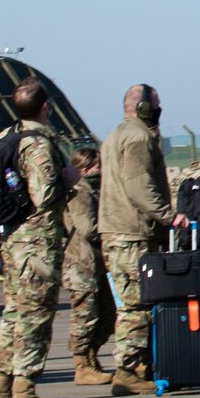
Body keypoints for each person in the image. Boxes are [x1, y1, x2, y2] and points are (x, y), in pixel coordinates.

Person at [0, 80, 71, 398]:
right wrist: (69, 178)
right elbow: (44, 194)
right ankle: (25, 393)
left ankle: (1, 392)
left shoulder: (6, 136)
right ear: (45, 107)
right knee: (34, 317)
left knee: (13, 316)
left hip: (12, 241)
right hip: (35, 244)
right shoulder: (37, 145)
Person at [99, 85, 188, 396]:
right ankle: (127, 370)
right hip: (131, 232)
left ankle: (138, 365)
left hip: (114, 229)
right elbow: (139, 186)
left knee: (130, 302)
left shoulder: (114, 136)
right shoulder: (138, 138)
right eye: (157, 105)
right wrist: (168, 216)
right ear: (145, 108)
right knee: (136, 305)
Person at [59, 146, 114, 385]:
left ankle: (91, 357)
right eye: (98, 166)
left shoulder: (96, 189)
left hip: (97, 264)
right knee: (86, 315)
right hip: (81, 264)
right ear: (84, 168)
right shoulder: (79, 191)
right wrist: (114, 229)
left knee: (107, 313)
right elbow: (88, 228)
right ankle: (81, 364)